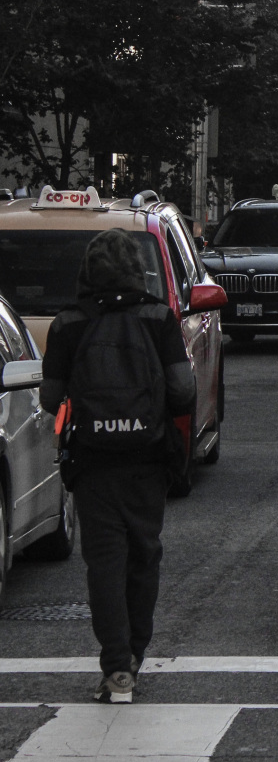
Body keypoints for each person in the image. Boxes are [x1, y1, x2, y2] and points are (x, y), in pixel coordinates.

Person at [40, 229, 195, 704]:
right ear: (136, 268)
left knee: (104, 562)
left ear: (87, 271)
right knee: (144, 554)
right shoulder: (157, 317)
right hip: (148, 459)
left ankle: (115, 669)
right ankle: (136, 655)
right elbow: (184, 391)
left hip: (93, 461)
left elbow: (50, 398)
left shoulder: (68, 323)